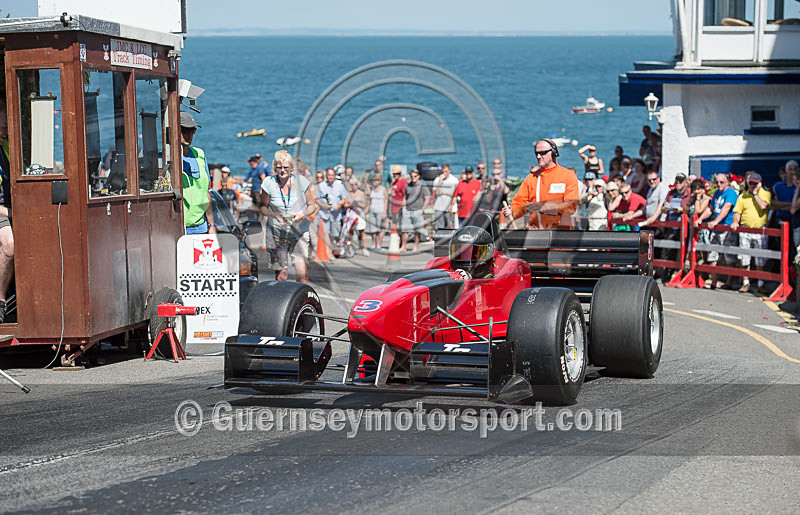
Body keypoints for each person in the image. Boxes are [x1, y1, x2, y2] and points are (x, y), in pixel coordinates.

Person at [260, 151, 317, 283]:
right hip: (277, 233)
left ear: (291, 168)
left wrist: (303, 215)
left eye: (286, 167)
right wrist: (274, 215)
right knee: (281, 276)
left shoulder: (301, 181)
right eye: (279, 167)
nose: (282, 171)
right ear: (275, 168)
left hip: (298, 232)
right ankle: (281, 295)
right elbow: (263, 207)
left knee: (302, 274)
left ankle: (302, 296)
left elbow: (311, 206)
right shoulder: (268, 183)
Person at [502, 140, 579, 229]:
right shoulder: (531, 178)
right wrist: (512, 211)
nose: (538, 156)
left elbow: (571, 207)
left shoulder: (568, 176)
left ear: (554, 153)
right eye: (536, 153)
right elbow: (520, 203)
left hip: (560, 234)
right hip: (535, 233)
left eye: (542, 153)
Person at [695, 173, 739, 289]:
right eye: (717, 182)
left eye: (721, 182)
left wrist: (716, 221)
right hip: (716, 229)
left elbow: (726, 208)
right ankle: (714, 282)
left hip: (727, 228)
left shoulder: (731, 193)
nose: (719, 184)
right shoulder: (716, 193)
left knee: (729, 257)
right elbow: (711, 209)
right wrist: (700, 219)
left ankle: (728, 282)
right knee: (712, 255)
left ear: (727, 182)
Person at [731, 172, 771, 293]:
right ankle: (745, 283)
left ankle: (760, 283)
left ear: (760, 184)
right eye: (751, 183)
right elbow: (737, 212)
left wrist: (755, 194)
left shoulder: (765, 193)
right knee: (744, 257)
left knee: (760, 258)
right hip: (745, 229)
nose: (752, 185)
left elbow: (763, 206)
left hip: (759, 230)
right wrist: (735, 222)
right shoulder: (742, 196)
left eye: (755, 183)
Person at [180, 112, 216, 235]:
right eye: (184, 130)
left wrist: (211, 225)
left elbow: (205, 193)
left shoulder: (200, 154)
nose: (189, 135)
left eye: (192, 130)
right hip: (178, 227)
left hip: (201, 227)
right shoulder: (165, 158)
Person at [316, 168, 348, 259]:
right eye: (329, 175)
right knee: (325, 233)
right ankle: (327, 253)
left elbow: (344, 198)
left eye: (332, 175)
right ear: (326, 176)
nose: (330, 177)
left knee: (333, 234)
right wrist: (324, 206)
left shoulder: (340, 186)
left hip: (336, 214)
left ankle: (331, 251)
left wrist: (339, 205)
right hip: (324, 214)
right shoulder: (321, 186)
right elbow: (316, 199)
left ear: (335, 176)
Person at [0, 105, 12, 323]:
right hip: (3, 210)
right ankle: (0, 301)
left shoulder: (6, 147)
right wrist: (13, 213)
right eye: (2, 128)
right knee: (10, 245)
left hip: (9, 208)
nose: (5, 132)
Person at [401, 169, 431, 252]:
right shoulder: (408, 186)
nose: (413, 178)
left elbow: (427, 198)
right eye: (411, 176)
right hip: (408, 210)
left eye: (415, 176)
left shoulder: (422, 186)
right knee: (405, 230)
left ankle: (415, 246)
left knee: (417, 230)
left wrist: (422, 209)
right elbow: (405, 197)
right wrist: (404, 207)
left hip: (418, 210)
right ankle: (403, 246)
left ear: (418, 176)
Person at [346, 178, 369, 256]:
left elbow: (364, 205)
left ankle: (365, 248)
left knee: (362, 232)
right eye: (352, 185)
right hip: (351, 215)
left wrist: (358, 204)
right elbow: (346, 204)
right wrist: (351, 204)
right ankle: (350, 248)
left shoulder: (361, 193)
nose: (353, 186)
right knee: (350, 232)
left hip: (360, 214)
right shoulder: (348, 194)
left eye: (355, 184)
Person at [432, 163, 459, 230]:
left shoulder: (454, 180)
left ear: (449, 171)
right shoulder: (437, 179)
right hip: (439, 207)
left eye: (446, 171)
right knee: (439, 227)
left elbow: (456, 194)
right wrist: (440, 181)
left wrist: (445, 193)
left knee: (449, 227)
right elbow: (436, 192)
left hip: (449, 207)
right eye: (443, 172)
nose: (444, 173)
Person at [772, 160, 798, 228]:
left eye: (794, 169)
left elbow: (797, 207)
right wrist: (793, 204)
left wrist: (780, 205)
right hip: (780, 218)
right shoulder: (777, 186)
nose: (792, 172)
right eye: (790, 169)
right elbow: (774, 205)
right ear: (786, 170)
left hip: (796, 219)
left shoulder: (798, 187)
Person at [366, 173, 388, 250]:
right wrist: (367, 208)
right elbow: (369, 199)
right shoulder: (372, 189)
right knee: (372, 228)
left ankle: (379, 244)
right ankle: (373, 244)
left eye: (376, 180)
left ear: (380, 181)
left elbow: (386, 201)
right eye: (373, 180)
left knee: (380, 228)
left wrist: (384, 211)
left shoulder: (383, 189)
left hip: (380, 210)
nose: (375, 182)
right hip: (372, 210)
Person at [388, 166, 407, 232]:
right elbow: (389, 192)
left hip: (399, 204)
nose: (395, 175)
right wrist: (391, 183)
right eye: (394, 174)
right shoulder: (394, 182)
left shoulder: (403, 181)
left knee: (400, 221)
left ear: (400, 174)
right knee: (394, 221)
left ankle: (401, 233)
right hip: (393, 205)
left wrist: (403, 203)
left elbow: (405, 193)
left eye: (396, 174)